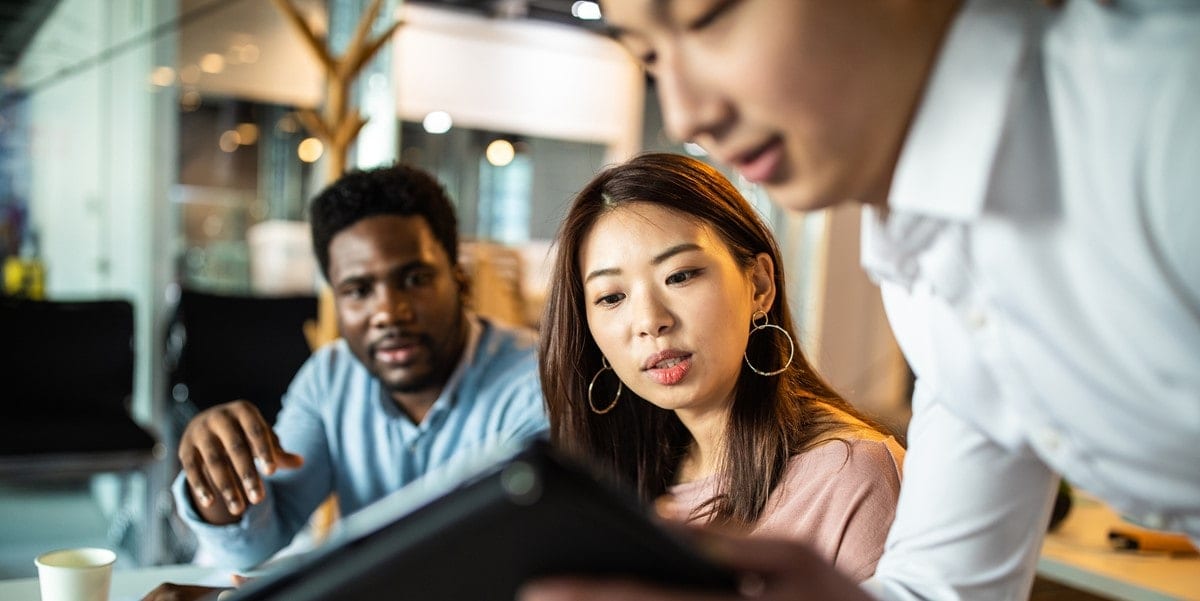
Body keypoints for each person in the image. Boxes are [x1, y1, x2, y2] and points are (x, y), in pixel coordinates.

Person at [521, 1, 1200, 600]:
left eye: (707, 16)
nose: (686, 111)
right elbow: (947, 586)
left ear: (760, 282)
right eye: (647, 54)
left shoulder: (1163, 109)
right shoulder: (921, 269)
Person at [539, 152, 904, 581]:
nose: (649, 321)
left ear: (760, 286)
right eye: (611, 297)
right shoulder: (618, 479)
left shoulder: (851, 474)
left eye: (680, 275)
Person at [170, 163, 548, 570]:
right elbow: (252, 545)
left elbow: (520, 558)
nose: (388, 312)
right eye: (358, 291)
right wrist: (218, 474)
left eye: (415, 279)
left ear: (458, 278)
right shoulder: (331, 377)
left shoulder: (537, 384)